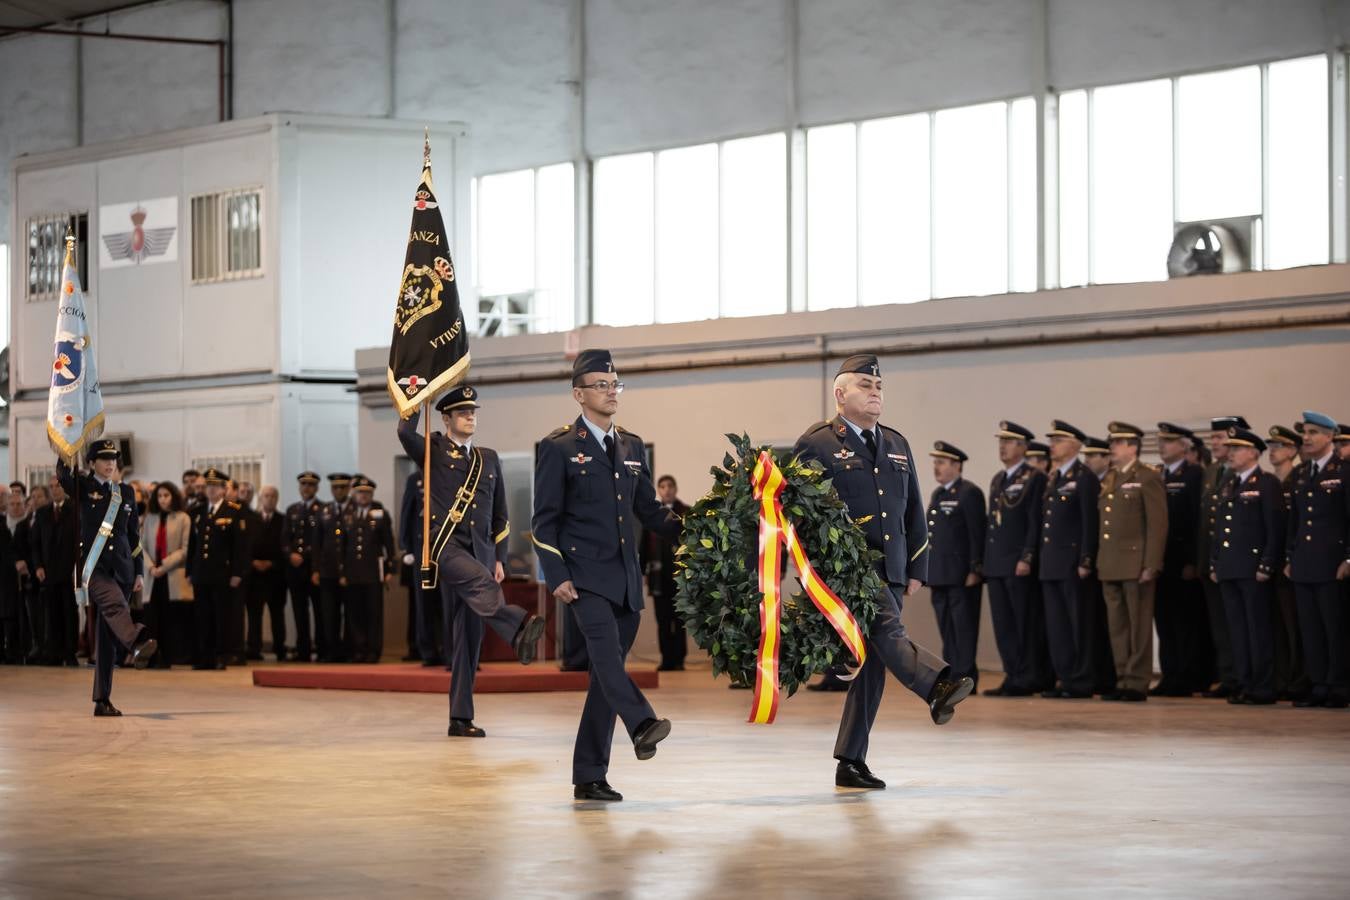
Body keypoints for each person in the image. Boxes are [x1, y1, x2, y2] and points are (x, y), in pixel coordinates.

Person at [793, 355, 972, 791]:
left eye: (879, 385)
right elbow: (799, 513)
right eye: (864, 384)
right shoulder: (815, 444)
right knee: (888, 632)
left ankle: (850, 761)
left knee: (873, 665)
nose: (875, 391)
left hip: (890, 569)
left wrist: (917, 567)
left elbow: (913, 509)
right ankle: (936, 684)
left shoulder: (896, 442)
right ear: (840, 395)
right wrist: (813, 572)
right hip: (847, 571)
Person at [532, 350, 681, 802]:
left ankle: (588, 776)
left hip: (626, 582)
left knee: (602, 680)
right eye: (601, 384)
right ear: (579, 394)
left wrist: (704, 526)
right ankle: (642, 723)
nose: (611, 391)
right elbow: (544, 521)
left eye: (615, 383)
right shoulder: (557, 448)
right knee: (609, 662)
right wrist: (556, 573)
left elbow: (650, 512)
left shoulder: (632, 447)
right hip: (584, 580)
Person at [399, 385, 546, 735]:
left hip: (481, 552)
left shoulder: (488, 458)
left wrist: (499, 559)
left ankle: (460, 718)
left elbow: (501, 516)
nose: (470, 416)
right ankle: (519, 626)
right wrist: (416, 401)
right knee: (480, 585)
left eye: (473, 411)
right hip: (445, 547)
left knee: (467, 638)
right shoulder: (432, 449)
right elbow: (405, 432)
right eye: (463, 412)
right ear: (446, 418)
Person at [57, 440, 158, 715]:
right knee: (116, 606)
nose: (110, 462)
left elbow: (133, 536)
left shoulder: (125, 492)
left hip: (123, 568)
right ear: (91, 463)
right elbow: (63, 477)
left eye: (113, 458)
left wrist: (138, 570)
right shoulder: (82, 486)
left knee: (106, 639)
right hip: (95, 567)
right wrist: (66, 444)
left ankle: (102, 700)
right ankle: (136, 641)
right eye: (103, 458)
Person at [1208, 427, 1283, 705]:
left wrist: (1267, 562)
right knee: (1237, 630)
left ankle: (1262, 686)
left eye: (1236, 448)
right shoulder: (1229, 483)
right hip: (1229, 567)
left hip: (1253, 568)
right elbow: (1219, 530)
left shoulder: (1266, 483)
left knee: (1257, 628)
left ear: (1253, 452)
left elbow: (1273, 528)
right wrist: (1214, 561)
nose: (1230, 453)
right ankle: (1245, 682)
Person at [1097, 421, 1167, 702]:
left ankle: (1137, 681)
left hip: (1136, 563)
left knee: (1138, 626)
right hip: (1111, 562)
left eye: (1117, 443)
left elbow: (1157, 524)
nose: (1111, 448)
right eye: (1112, 443)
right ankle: (1122, 677)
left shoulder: (1147, 477)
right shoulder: (1111, 477)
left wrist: (1152, 563)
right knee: (1118, 626)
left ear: (1132, 446)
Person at [1286, 412, 1350, 708]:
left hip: (1333, 562)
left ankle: (1339, 684)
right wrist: (1291, 555)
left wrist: (1349, 558)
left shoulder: (1344, 470)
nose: (1307, 438)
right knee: (1310, 628)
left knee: (1334, 627)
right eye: (1305, 433)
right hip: (1305, 562)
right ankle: (1319, 682)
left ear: (1330, 437)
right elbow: (1295, 521)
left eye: (1313, 432)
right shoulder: (1301, 474)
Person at [983, 421, 1048, 696]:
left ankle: (1029, 676)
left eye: (1008, 442)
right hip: (997, 562)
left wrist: (1027, 556)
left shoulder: (1034, 477)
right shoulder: (999, 478)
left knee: (1024, 623)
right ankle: (1012, 674)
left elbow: (1035, 521)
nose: (1003, 446)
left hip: (1018, 562)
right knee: (1004, 624)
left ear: (1023, 447)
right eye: (1001, 441)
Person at [1038, 420, 1100, 699]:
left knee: (1078, 625)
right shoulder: (1056, 477)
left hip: (1073, 563)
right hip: (1051, 563)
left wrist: (1086, 558)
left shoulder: (1084, 476)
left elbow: (1090, 521)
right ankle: (1065, 677)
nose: (1052, 445)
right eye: (1051, 441)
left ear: (1074, 445)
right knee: (1058, 625)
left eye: (1058, 440)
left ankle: (1082, 680)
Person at [1152, 422, 1209, 697]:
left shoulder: (1194, 474)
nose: (1163, 446)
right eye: (1161, 441)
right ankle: (1170, 674)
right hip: (1161, 560)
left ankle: (1187, 676)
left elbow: (1197, 522)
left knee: (1185, 622)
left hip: (1182, 560)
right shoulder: (1158, 475)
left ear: (1184, 446)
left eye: (1169, 441)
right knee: (1164, 621)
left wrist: (1192, 560)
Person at [925, 441, 985, 688]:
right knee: (947, 626)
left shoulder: (969, 492)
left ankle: (966, 675)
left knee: (964, 627)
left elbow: (976, 533)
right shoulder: (938, 494)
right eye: (935, 462)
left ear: (956, 465)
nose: (935, 467)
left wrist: (975, 567)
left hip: (961, 575)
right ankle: (952, 672)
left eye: (941, 462)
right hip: (939, 574)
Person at [1198, 415, 1248, 698]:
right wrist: (1201, 559)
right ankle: (1229, 676)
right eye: (1214, 438)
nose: (1215, 443)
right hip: (1213, 560)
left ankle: (1244, 677)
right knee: (1220, 624)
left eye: (1221, 438)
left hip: (1236, 561)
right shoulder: (1212, 471)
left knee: (1238, 624)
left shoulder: (1241, 475)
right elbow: (1203, 523)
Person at [187, 467, 249, 670]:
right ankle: (204, 656)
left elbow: (240, 547)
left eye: (215, 487)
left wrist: (238, 572)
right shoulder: (197, 512)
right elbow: (192, 546)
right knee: (202, 616)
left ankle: (221, 655)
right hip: (201, 573)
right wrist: (190, 571)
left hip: (222, 574)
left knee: (222, 616)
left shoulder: (234, 511)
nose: (211, 491)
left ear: (223, 489)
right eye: (208, 487)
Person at [1267, 425, 1310, 701]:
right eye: (1270, 447)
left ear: (1293, 451)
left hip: (1292, 564)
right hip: (1274, 564)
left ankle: (1299, 678)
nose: (1272, 451)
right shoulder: (1272, 482)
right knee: (1279, 628)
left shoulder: (1299, 479)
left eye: (1279, 446)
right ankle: (1283, 678)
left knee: (1296, 628)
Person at [339, 476, 395, 663]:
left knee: (373, 613)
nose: (363, 496)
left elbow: (389, 543)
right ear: (355, 494)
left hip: (373, 572)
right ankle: (358, 649)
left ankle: (373, 650)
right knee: (354, 613)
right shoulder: (347, 513)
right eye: (360, 492)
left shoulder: (380, 513)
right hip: (353, 572)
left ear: (371, 494)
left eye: (367, 493)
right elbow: (342, 545)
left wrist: (390, 569)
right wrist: (342, 572)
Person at [140, 482, 191, 669]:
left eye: (166, 495)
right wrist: (151, 566)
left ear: (174, 497)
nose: (163, 499)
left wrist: (164, 565)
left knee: (171, 619)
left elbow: (185, 549)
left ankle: (171, 656)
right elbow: (141, 547)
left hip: (172, 575)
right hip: (153, 575)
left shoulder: (183, 518)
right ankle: (153, 657)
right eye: (160, 496)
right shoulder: (150, 518)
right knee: (152, 618)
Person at [642, 475, 690, 672]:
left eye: (670, 486)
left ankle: (679, 659)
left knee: (679, 619)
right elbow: (643, 546)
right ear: (658, 490)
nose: (667, 490)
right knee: (662, 619)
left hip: (680, 575)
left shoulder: (686, 512)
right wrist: (643, 571)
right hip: (659, 576)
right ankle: (666, 659)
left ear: (676, 488)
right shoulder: (653, 514)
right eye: (662, 486)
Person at [398, 469, 444, 667]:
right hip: (421, 550)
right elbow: (407, 512)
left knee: (446, 604)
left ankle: (448, 649)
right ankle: (427, 651)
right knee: (424, 604)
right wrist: (406, 547)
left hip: (445, 549)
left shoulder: (448, 475)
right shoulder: (415, 479)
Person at [33, 474, 79, 667]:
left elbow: (78, 541)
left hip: (68, 571)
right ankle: (54, 652)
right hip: (49, 572)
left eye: (58, 486)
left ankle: (70, 652)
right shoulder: (42, 513)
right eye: (51, 486)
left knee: (69, 613)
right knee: (51, 614)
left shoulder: (74, 509)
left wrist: (77, 568)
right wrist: (38, 566)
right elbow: (35, 543)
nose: (54, 489)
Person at [281, 472, 323, 662]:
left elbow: (322, 541)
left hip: (313, 567)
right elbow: (284, 538)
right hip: (295, 569)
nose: (306, 488)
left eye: (310, 485)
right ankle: (303, 649)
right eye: (303, 484)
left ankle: (322, 648)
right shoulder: (292, 510)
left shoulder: (323, 509)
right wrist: (290, 554)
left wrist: (305, 555)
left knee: (319, 610)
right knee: (299, 611)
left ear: (316, 488)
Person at [314, 473, 352, 662]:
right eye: (336, 488)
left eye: (343, 487)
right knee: (329, 614)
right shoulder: (324, 510)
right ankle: (331, 651)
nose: (339, 491)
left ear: (349, 488)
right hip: (328, 571)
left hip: (350, 572)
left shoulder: (355, 509)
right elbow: (317, 542)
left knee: (351, 614)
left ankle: (348, 651)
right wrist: (315, 569)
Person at [247, 486, 287, 662]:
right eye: (266, 496)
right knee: (254, 615)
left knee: (277, 614)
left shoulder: (283, 520)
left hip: (276, 576)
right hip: (254, 576)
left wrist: (272, 563)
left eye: (272, 496)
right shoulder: (251, 519)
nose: (269, 499)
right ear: (260, 498)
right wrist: (252, 562)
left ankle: (280, 648)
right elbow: (245, 546)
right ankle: (253, 649)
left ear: (277, 499)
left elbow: (286, 547)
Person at [14, 488, 46, 664]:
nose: (35, 500)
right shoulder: (22, 525)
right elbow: (18, 548)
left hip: (44, 574)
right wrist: (20, 561)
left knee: (46, 615)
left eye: (38, 497)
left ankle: (46, 647)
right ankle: (35, 646)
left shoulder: (47, 520)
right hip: (29, 578)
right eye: (32, 498)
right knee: (31, 614)